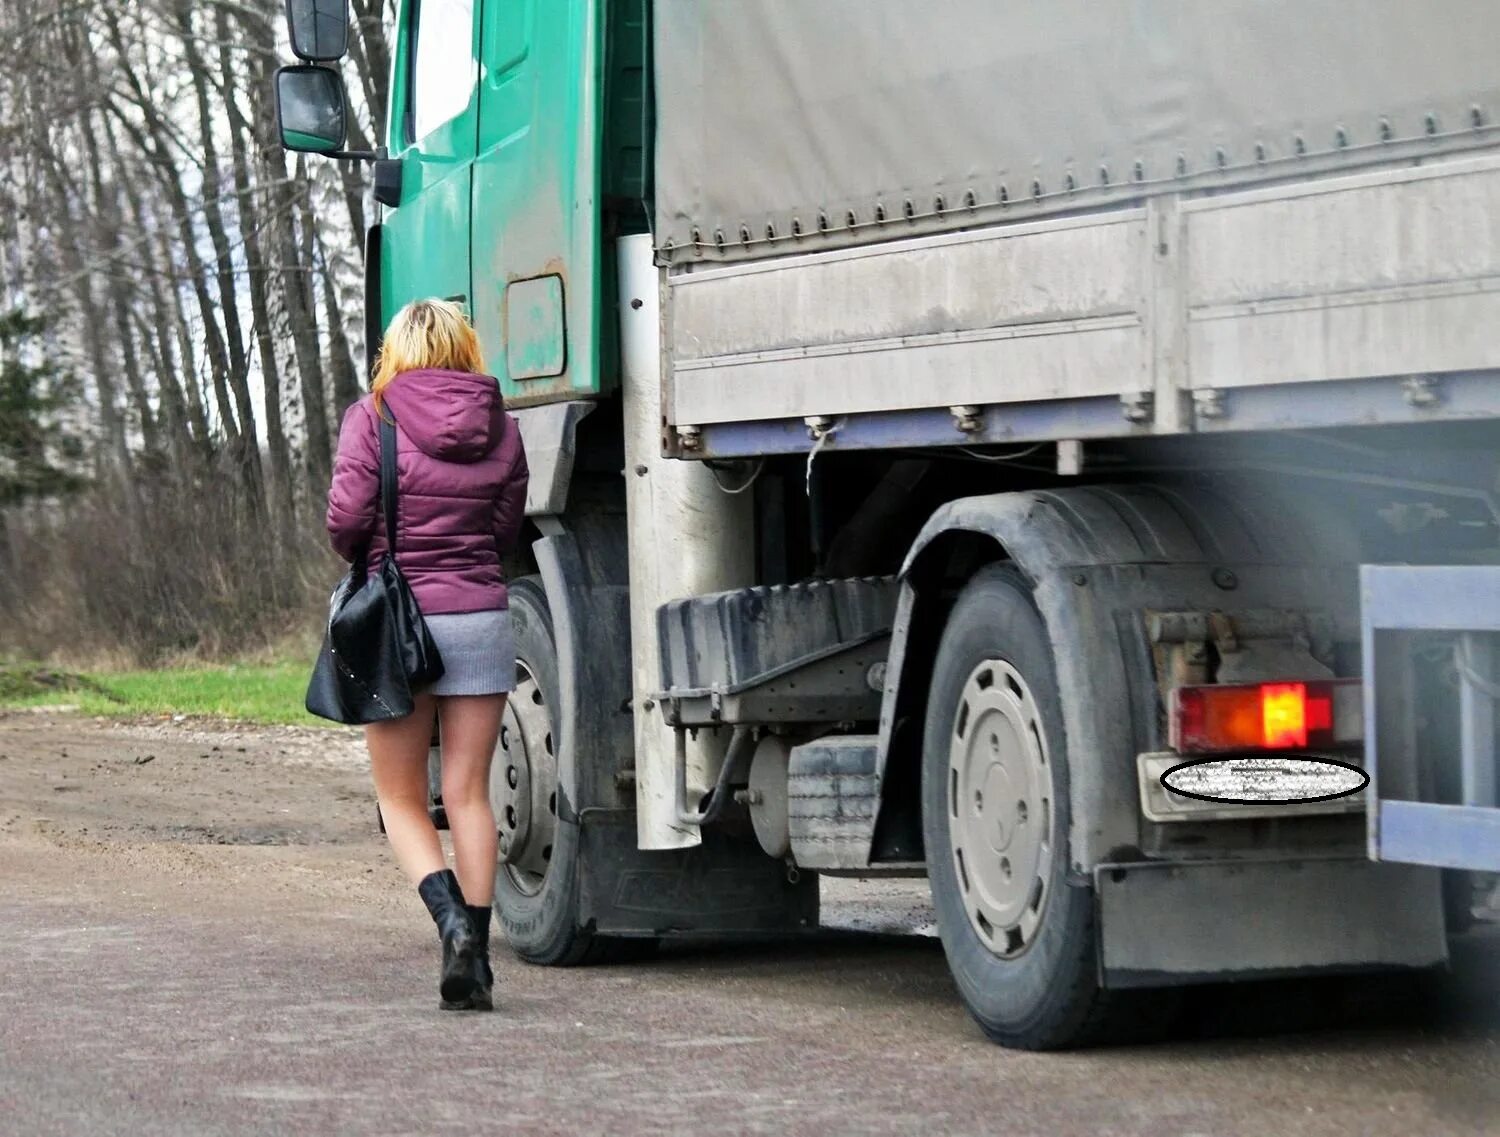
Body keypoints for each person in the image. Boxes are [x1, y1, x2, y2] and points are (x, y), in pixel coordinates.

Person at [326, 298, 528, 1011]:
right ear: (463, 347)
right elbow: (506, 527)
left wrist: (375, 549)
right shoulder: (500, 424)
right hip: (479, 616)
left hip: (396, 626)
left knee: (403, 795)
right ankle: (474, 954)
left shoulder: (372, 416)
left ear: (396, 352)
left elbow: (346, 522)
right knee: (470, 792)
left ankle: (450, 925)